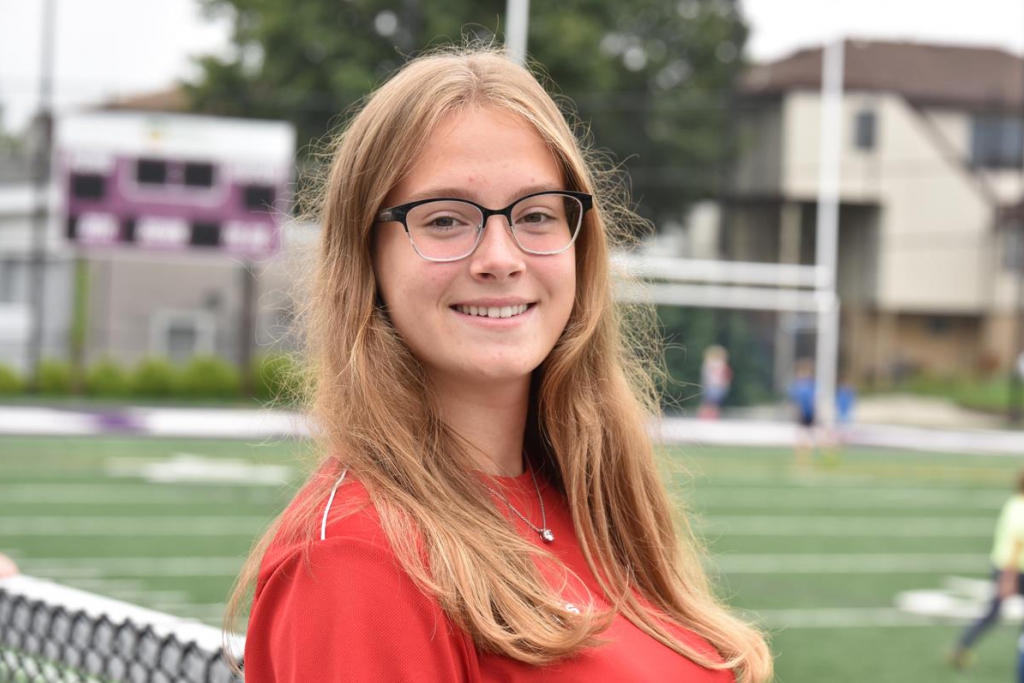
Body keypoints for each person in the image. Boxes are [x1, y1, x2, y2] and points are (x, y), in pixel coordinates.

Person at [232, 47, 772, 683]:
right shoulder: (357, 558)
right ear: (366, 257)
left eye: (536, 214)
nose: (500, 258)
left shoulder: (591, 500)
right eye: (445, 220)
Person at [950, 469, 1024, 670]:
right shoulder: (1021, 509)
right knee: (993, 612)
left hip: (1003, 566)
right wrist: (1009, 578)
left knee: (993, 612)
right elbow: (1017, 544)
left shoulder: (1013, 503)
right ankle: (962, 647)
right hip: (1014, 570)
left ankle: (962, 646)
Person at [788, 358, 817, 467]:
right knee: (800, 437)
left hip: (809, 414)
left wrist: (815, 414)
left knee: (808, 437)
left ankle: (807, 459)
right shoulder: (796, 386)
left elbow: (813, 401)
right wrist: (795, 412)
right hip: (801, 415)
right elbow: (794, 402)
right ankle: (800, 459)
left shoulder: (811, 386)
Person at [698, 345, 732, 420]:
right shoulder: (721, 364)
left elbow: (705, 376)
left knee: (708, 402)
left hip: (712, 385)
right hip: (716, 385)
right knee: (714, 403)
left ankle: (706, 416)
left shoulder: (707, 363)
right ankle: (712, 416)